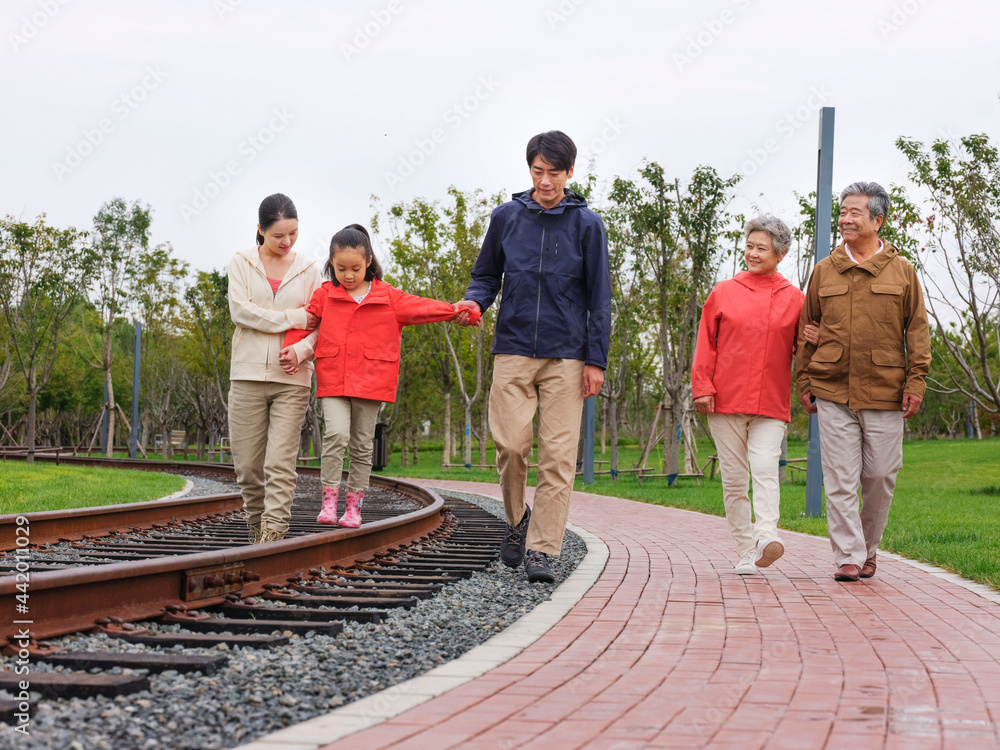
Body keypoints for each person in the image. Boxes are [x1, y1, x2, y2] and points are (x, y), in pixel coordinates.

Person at [454, 131, 611, 584]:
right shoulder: (506, 218)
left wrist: (596, 360)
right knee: (510, 447)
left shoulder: (588, 225)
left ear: (570, 173)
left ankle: (542, 549)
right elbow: (485, 276)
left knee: (559, 458)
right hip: (514, 349)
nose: (545, 181)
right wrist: (474, 304)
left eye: (554, 173)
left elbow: (600, 298)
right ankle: (517, 520)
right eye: (538, 171)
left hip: (568, 357)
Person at [281, 224, 479, 528]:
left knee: (361, 445)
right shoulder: (326, 295)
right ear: (331, 264)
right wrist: (291, 351)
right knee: (335, 435)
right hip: (334, 378)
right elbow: (305, 323)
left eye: (356, 268)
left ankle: (354, 507)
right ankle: (329, 502)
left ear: (369, 261)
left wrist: (455, 311)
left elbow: (422, 307)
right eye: (340, 268)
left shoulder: (389, 297)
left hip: (372, 381)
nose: (348, 275)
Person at [796, 182, 931, 582]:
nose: (845, 218)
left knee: (880, 476)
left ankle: (869, 547)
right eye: (843, 211)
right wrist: (804, 380)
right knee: (839, 478)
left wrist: (916, 381)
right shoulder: (824, 270)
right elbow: (807, 328)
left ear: (877, 219)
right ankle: (849, 557)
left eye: (855, 212)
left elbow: (917, 331)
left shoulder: (903, 271)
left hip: (885, 390)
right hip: (833, 387)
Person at [692, 216, 804, 575]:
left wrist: (813, 338)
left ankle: (767, 535)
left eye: (761, 248)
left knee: (766, 467)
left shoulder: (795, 300)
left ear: (780, 254)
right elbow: (705, 344)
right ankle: (745, 549)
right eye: (750, 246)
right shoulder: (724, 292)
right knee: (736, 480)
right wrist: (703, 387)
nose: (752, 253)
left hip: (770, 403)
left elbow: (805, 348)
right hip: (724, 400)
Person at [228, 193, 322, 544]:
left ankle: (273, 534)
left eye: (293, 234)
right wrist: (292, 317)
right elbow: (241, 312)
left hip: (292, 379)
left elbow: (319, 323)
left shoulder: (309, 268)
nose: (287, 242)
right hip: (247, 376)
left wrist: (302, 349)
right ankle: (255, 526)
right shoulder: (241, 262)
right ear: (260, 230)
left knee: (279, 465)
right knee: (249, 468)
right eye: (279, 235)